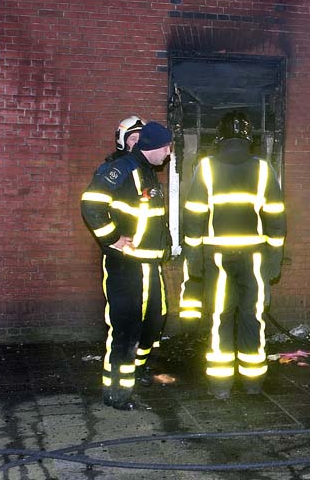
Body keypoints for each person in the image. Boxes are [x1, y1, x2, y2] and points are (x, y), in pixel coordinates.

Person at [180, 111, 286, 399]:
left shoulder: (206, 169)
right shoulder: (264, 170)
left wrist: (193, 258)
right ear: (248, 137)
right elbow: (276, 219)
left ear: (220, 137)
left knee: (219, 318)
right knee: (253, 317)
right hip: (255, 258)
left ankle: (221, 387)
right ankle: (253, 384)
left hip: (217, 257)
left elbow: (194, 218)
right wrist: (274, 261)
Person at [80, 122, 173, 410]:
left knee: (155, 319)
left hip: (150, 263)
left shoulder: (147, 171)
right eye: (167, 147)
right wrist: (113, 238)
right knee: (126, 326)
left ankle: (138, 368)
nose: (169, 153)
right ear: (154, 146)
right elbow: (91, 203)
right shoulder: (123, 169)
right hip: (126, 265)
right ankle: (117, 392)